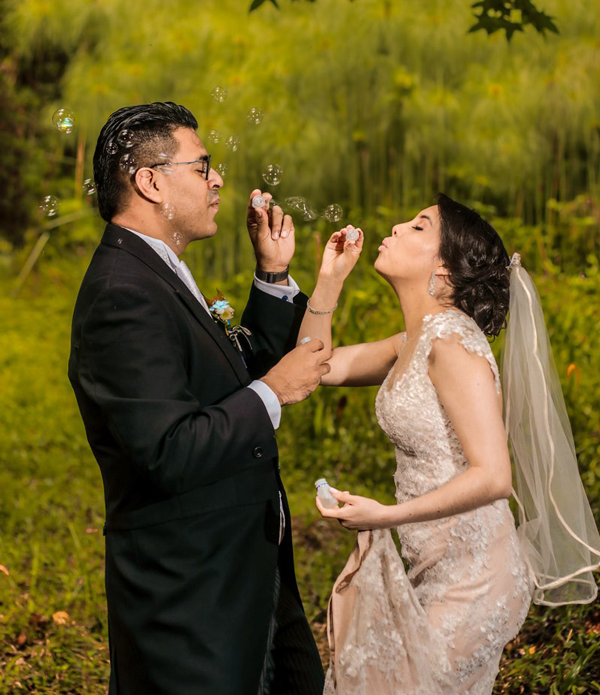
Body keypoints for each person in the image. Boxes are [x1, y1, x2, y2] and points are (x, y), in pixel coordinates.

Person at [68, 102, 330, 695]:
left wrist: (272, 275)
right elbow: (170, 450)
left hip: (247, 572)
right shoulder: (121, 293)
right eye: (202, 166)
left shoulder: (159, 270)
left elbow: (229, 382)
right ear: (151, 182)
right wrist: (274, 391)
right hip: (192, 599)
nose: (218, 180)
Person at [297, 194, 600, 695]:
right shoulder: (411, 341)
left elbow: (494, 477)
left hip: (475, 579)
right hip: (433, 571)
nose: (396, 227)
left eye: (418, 226)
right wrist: (330, 279)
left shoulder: (453, 344)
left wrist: (385, 516)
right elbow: (314, 366)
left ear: (444, 269)